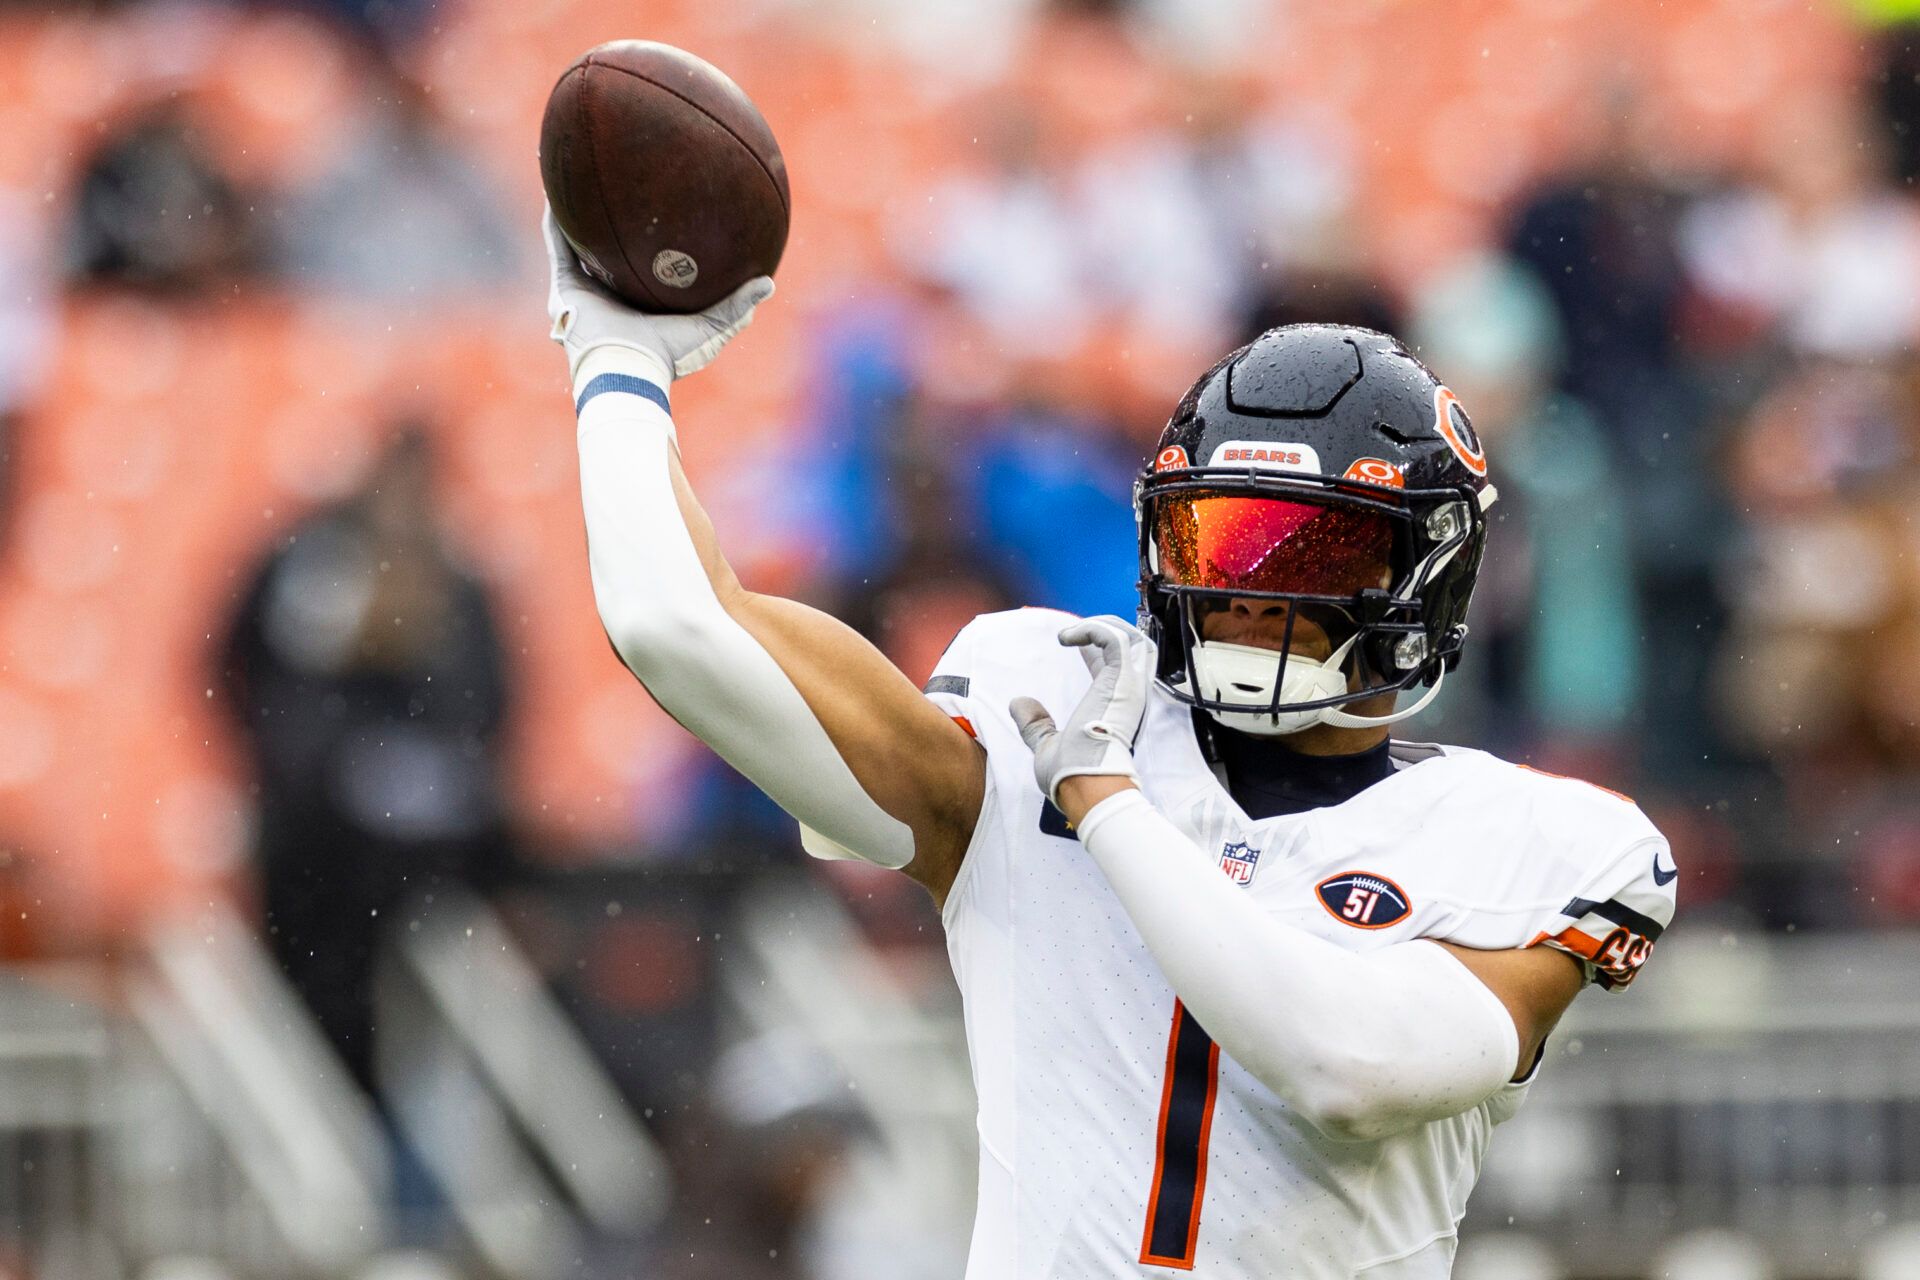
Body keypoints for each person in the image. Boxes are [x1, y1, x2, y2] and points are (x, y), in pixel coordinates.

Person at [545, 212, 1676, 1278]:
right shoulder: (1045, 697)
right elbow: (676, 623)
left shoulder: (1551, 839)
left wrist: (1111, 807)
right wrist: (616, 357)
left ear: (1423, 571)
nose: (1252, 592)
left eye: (1312, 548)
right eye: (1219, 538)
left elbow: (1340, 1066)